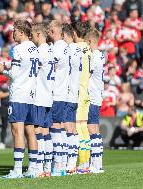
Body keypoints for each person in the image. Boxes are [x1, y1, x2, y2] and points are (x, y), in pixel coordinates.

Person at [0, 20, 40, 179]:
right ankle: (33, 168)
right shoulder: (35, 48)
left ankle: (18, 169)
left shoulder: (17, 49)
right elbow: (25, 68)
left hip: (19, 94)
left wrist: (2, 71)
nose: (12, 33)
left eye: (14, 30)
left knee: (17, 130)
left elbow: (14, 74)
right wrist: (8, 67)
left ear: (21, 32)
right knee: (30, 132)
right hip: (32, 95)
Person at [31, 23, 55, 177]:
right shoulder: (51, 51)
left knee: (36, 131)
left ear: (39, 35)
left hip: (39, 95)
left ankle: (38, 168)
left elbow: (32, 72)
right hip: (49, 95)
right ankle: (47, 167)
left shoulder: (40, 51)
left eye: (33, 36)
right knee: (46, 132)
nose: (32, 39)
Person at [48, 20, 70, 176]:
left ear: (51, 31)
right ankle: (61, 165)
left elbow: (52, 66)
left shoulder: (58, 47)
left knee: (55, 128)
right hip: (64, 92)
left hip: (56, 92)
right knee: (60, 128)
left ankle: (57, 166)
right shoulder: (66, 47)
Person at [84, 27, 106, 173]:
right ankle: (97, 162)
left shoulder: (95, 56)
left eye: (86, 42)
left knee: (92, 128)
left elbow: (87, 71)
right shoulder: (100, 55)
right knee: (94, 128)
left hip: (92, 96)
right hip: (96, 94)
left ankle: (96, 164)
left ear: (90, 41)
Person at [71, 21, 91, 174]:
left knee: (78, 127)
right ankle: (85, 161)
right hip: (86, 91)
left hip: (78, 91)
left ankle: (81, 162)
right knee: (83, 127)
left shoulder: (75, 49)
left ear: (74, 33)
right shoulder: (89, 49)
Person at [62, 23, 80, 174]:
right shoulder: (79, 50)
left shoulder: (67, 50)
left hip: (67, 93)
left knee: (67, 128)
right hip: (74, 93)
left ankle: (69, 162)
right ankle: (72, 161)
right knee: (72, 128)